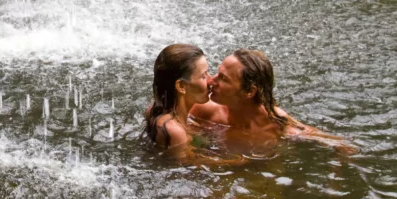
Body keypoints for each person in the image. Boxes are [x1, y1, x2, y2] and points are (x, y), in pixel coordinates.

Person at [191, 49, 359, 156]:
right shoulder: (203, 109)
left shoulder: (277, 125)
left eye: (223, 79)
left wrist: (334, 176)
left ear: (249, 92)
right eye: (217, 73)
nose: (211, 81)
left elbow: (343, 145)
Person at [144, 44, 248, 166]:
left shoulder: (156, 110)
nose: (211, 81)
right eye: (203, 76)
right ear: (181, 86)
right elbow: (186, 165)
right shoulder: (173, 130)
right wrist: (235, 162)